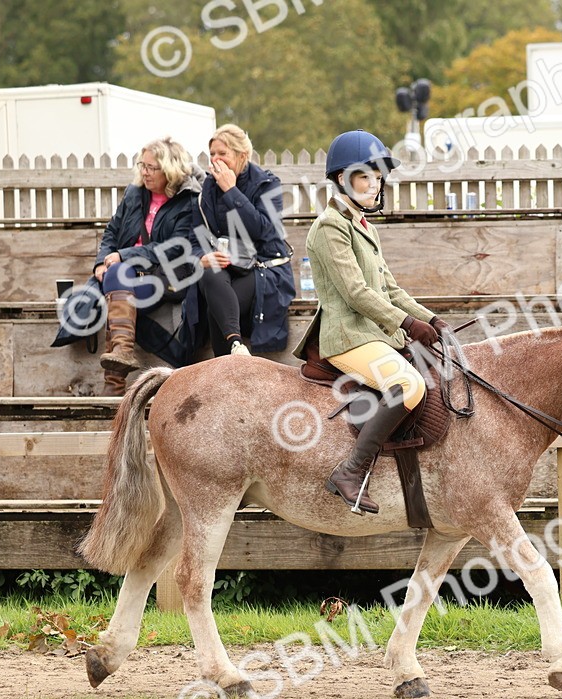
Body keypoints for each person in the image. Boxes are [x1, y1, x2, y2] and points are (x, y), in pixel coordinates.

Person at [292, 130, 451, 515]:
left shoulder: (364, 226)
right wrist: (407, 324)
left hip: (373, 334)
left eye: (378, 177)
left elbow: (390, 289)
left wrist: (429, 318)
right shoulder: (330, 226)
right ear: (342, 179)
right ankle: (351, 471)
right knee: (408, 384)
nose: (375, 184)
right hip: (347, 336)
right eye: (366, 176)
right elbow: (355, 293)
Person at [93, 136, 203, 395]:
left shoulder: (187, 200)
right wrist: (101, 262)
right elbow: (112, 231)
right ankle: (121, 353)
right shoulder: (134, 193)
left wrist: (124, 255)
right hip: (123, 273)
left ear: (169, 170)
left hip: (164, 276)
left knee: (117, 292)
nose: (144, 172)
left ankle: (114, 382)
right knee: (116, 278)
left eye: (151, 167)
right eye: (142, 165)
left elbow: (175, 246)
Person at [191, 124, 296, 357]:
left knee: (218, 308)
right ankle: (237, 347)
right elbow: (195, 237)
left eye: (222, 153)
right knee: (210, 274)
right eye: (212, 154)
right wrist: (201, 257)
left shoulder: (266, 184)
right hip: (226, 266)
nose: (215, 160)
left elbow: (262, 229)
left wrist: (231, 191)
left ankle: (227, 364)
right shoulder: (208, 187)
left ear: (242, 155)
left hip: (262, 267)